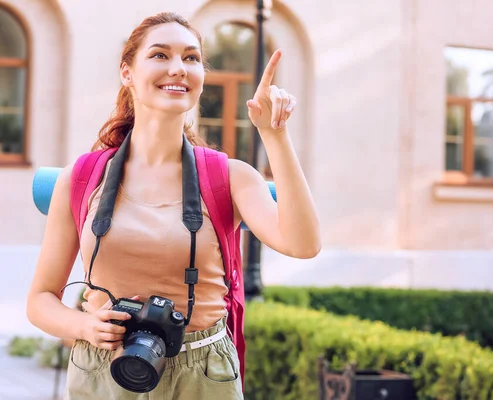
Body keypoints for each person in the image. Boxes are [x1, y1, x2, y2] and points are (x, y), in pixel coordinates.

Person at [26, 12, 321, 399]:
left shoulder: (229, 177)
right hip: (103, 368)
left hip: (202, 373)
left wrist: (275, 135)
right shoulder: (81, 178)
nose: (178, 69)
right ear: (127, 72)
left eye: (191, 58)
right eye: (160, 55)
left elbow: (303, 244)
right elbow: (40, 300)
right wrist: (84, 326)